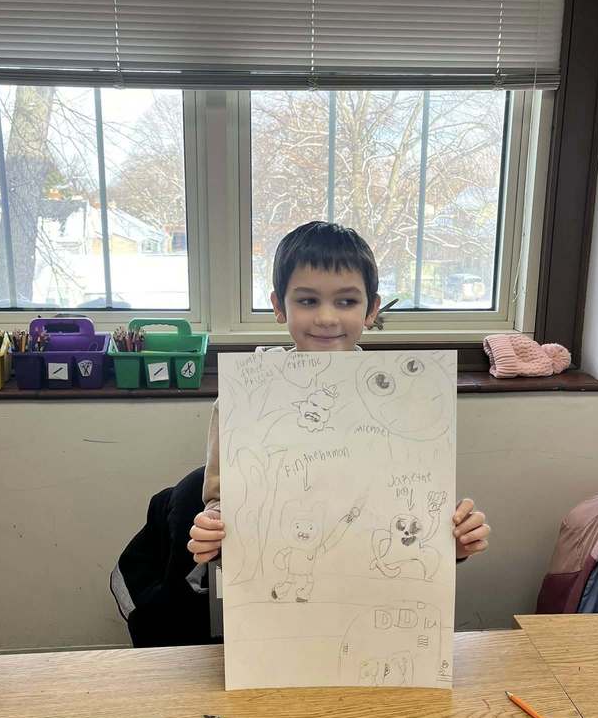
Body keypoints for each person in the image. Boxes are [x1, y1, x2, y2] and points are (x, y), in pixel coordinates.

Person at [188, 220, 491, 566]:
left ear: (371, 309)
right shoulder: (245, 396)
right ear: (279, 305)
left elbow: (415, 500)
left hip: (374, 590)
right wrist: (211, 529)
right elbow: (221, 501)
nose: (327, 317)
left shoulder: (402, 399)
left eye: (346, 301)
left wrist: (454, 540)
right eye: (308, 300)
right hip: (276, 588)